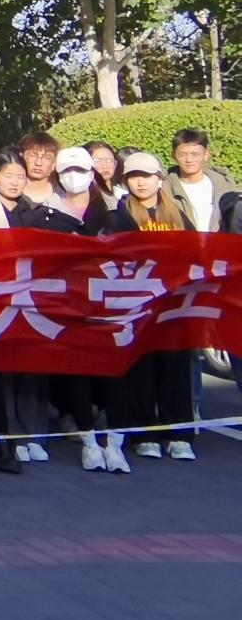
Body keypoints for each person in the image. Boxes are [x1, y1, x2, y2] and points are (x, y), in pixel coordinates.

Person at [113, 153, 197, 463]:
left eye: (147, 176)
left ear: (159, 178)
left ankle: (179, 434)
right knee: (141, 370)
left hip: (174, 305)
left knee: (176, 370)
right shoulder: (118, 215)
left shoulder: (178, 213)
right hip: (137, 306)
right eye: (134, 176)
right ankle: (144, 434)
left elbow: (197, 252)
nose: (141, 182)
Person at [166, 128, 237, 233]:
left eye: (195, 154)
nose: (189, 160)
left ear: (206, 154)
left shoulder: (225, 187)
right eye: (182, 154)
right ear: (174, 156)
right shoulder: (165, 189)